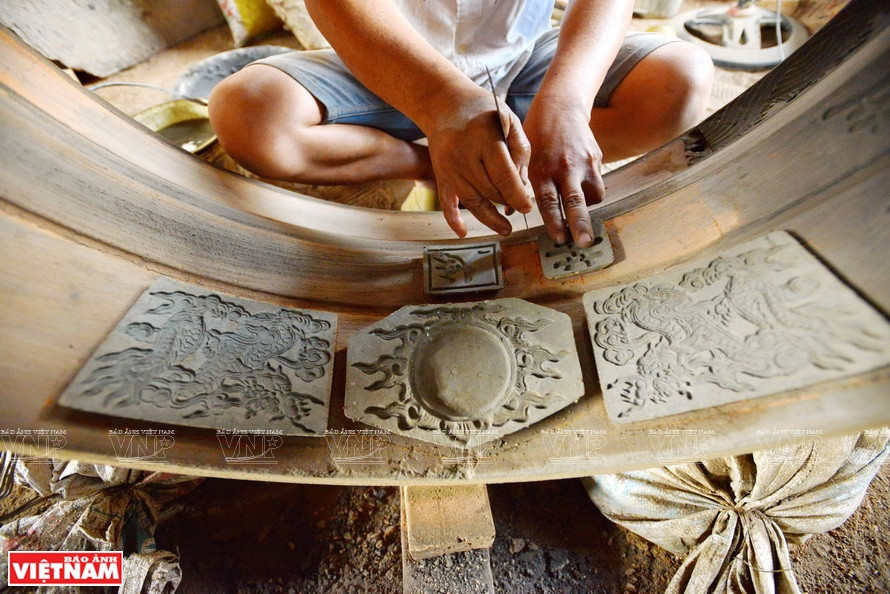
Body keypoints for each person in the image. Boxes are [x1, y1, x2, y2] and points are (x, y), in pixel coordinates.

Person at [208, 0, 714, 248]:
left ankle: (513, 152)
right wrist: (442, 106)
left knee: (680, 82)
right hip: (386, 65)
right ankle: (431, 163)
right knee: (247, 113)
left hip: (519, 59)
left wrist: (566, 103)